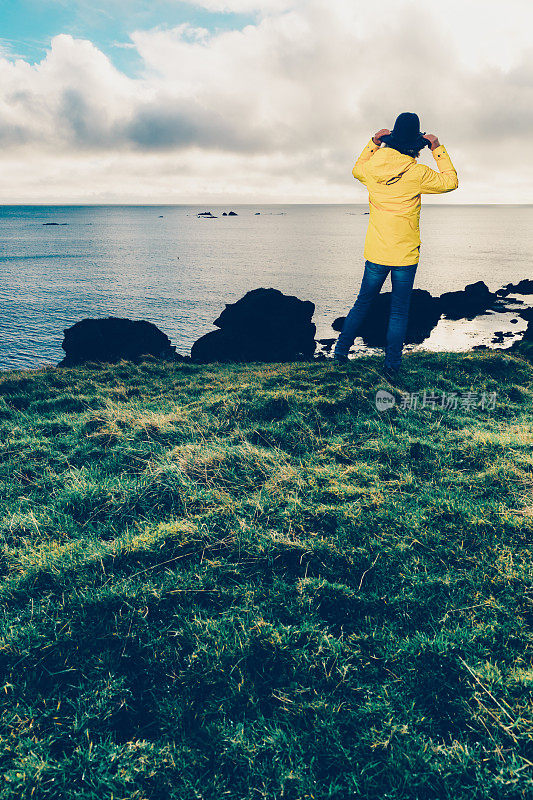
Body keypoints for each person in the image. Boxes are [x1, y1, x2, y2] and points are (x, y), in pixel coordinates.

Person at [333, 111, 458, 381]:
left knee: (362, 303)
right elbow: (450, 182)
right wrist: (437, 148)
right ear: (416, 144)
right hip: (405, 255)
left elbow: (356, 169)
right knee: (399, 311)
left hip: (376, 252)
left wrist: (372, 143)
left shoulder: (372, 166)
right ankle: (391, 365)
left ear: (390, 139)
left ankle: (340, 352)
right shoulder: (417, 172)